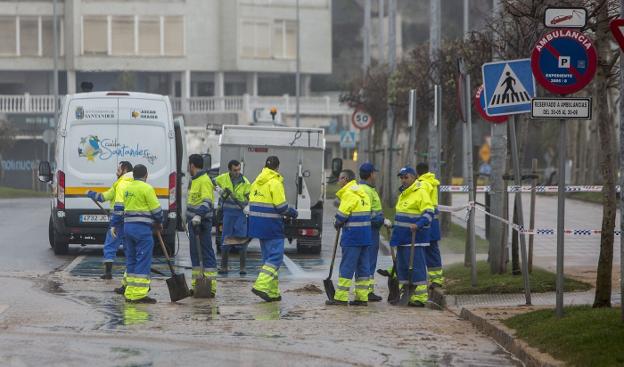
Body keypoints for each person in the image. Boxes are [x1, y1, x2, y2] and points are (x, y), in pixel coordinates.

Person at [248, 156, 297, 302]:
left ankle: (272, 291)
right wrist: (293, 212)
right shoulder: (275, 182)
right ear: (277, 168)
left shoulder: (257, 181)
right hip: (272, 225)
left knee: (268, 259)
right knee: (276, 258)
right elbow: (281, 207)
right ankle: (261, 285)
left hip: (257, 225)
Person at [389, 166, 434, 307]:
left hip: (415, 239)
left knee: (417, 268)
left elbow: (428, 213)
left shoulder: (421, 192)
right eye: (401, 177)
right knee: (403, 268)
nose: (403, 180)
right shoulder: (403, 193)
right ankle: (409, 294)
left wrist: (418, 225)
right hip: (402, 238)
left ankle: (420, 298)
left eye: (406, 177)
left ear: (414, 177)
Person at [326, 169, 372, 306]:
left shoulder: (349, 193)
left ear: (345, 179)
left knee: (347, 266)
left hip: (352, 236)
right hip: (365, 236)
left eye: (340, 178)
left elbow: (341, 216)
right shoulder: (363, 192)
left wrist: (336, 222)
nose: (339, 181)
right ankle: (362, 297)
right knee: (363, 267)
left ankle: (340, 297)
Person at [122, 164, 163, 303]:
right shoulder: (147, 188)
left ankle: (130, 292)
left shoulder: (127, 188)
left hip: (127, 228)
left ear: (133, 175)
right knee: (143, 260)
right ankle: (139, 294)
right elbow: (156, 211)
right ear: (146, 175)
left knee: (131, 260)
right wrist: (159, 221)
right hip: (142, 230)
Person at [87, 161, 133, 281]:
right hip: (131, 221)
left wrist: (91, 193)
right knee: (130, 247)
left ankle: (108, 273)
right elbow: (104, 197)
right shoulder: (137, 183)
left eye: (118, 170)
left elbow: (104, 197)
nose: (116, 172)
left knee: (110, 245)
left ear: (125, 170)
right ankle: (130, 273)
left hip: (117, 221)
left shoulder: (119, 184)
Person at [187, 154, 217, 296]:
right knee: (194, 254)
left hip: (202, 223)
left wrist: (198, 215)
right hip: (193, 223)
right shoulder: (195, 180)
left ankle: (210, 287)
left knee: (206, 254)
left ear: (192, 165)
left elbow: (207, 201)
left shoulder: (204, 180)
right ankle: (197, 285)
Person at [215, 159, 251, 275]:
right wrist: (218, 189)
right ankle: (224, 267)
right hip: (228, 213)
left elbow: (250, 197)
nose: (237, 172)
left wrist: (248, 207)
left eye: (239, 169)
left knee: (242, 240)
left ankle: (242, 268)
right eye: (235, 170)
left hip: (240, 214)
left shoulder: (245, 182)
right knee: (226, 239)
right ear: (229, 170)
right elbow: (211, 181)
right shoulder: (223, 178)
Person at [357, 162, 384, 302]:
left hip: (367, 229)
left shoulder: (362, 188)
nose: (376, 175)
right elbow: (367, 213)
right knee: (369, 261)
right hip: (370, 230)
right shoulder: (367, 191)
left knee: (365, 261)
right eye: (375, 173)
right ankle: (367, 292)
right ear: (371, 174)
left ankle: (366, 291)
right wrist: (380, 220)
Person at [416, 162, 444, 288]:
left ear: (417, 173)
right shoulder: (431, 182)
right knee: (432, 250)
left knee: (425, 250)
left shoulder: (423, 184)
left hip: (426, 221)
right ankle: (437, 278)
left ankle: (434, 279)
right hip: (433, 222)